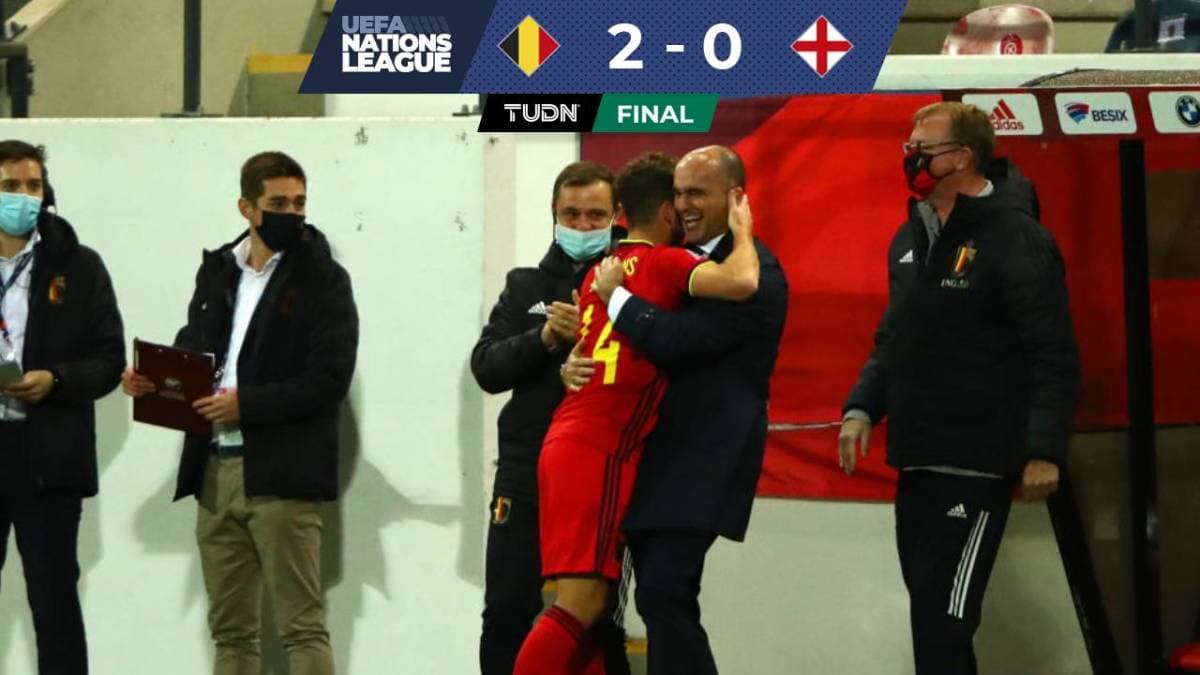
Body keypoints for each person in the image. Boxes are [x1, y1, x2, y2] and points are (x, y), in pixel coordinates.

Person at [838, 102, 1080, 675]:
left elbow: (1053, 351)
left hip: (977, 462)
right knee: (931, 618)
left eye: (922, 149)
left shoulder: (1016, 238)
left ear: (964, 156)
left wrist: (1044, 449)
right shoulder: (910, 237)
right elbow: (895, 337)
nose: (911, 159)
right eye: (908, 149)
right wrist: (861, 407)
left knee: (945, 621)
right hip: (917, 459)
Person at [513, 151, 760, 675]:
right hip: (598, 448)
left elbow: (593, 351)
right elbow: (742, 282)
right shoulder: (664, 263)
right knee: (578, 606)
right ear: (668, 212)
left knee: (595, 607)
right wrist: (743, 231)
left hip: (568, 438)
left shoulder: (598, 273)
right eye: (681, 201)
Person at [122, 151, 358, 675]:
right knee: (230, 633)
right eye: (279, 203)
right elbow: (194, 348)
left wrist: (244, 404)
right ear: (246, 207)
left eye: (299, 203)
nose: (292, 213)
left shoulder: (323, 279)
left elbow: (329, 380)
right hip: (213, 470)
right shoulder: (218, 272)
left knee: (301, 627)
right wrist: (151, 380)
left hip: (283, 472)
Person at [471, 161, 630, 675]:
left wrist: (601, 328)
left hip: (599, 477)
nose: (583, 226)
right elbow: (486, 367)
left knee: (596, 618)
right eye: (572, 215)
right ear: (554, 215)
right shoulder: (525, 285)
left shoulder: (635, 281)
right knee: (506, 611)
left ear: (616, 216)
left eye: (595, 216)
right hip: (525, 473)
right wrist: (543, 338)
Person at [0, 140, 125, 675]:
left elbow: (110, 360)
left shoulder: (79, 265)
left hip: (48, 460)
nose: (24, 197)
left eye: (33, 186)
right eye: (10, 186)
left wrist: (57, 380)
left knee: (54, 607)